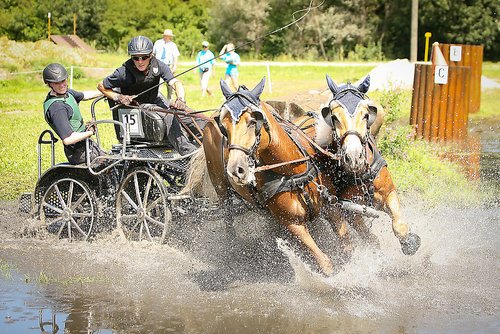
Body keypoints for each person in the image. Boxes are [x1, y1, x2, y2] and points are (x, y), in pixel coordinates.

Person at [97, 36, 197, 156]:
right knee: (169, 115)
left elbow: (176, 83)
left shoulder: (159, 65)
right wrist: (118, 97)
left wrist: (181, 99)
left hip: (154, 101)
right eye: (136, 58)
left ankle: (205, 142)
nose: (140, 61)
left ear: (151, 55)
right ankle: (188, 152)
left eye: (144, 57)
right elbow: (101, 86)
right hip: (137, 106)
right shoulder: (123, 72)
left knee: (187, 113)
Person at [42, 63, 104, 165]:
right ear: (49, 84)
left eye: (63, 81)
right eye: (57, 83)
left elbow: (84, 95)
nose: (62, 85)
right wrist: (90, 131)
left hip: (87, 145)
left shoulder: (67, 93)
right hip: (78, 153)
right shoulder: (57, 108)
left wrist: (104, 91)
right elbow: (68, 139)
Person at [153, 29, 180, 102]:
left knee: (170, 86)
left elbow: (175, 57)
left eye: (169, 36)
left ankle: (170, 102)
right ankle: (157, 100)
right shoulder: (158, 43)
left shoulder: (173, 45)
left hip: (168, 66)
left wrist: (174, 66)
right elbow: (153, 54)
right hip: (158, 66)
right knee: (158, 85)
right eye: (166, 36)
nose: (167, 37)